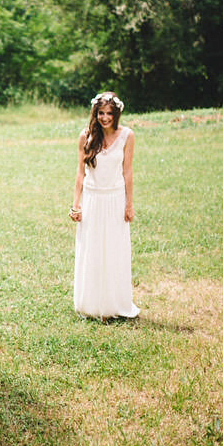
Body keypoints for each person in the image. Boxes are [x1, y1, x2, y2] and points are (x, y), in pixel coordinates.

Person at [69, 91, 140, 320]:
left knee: (114, 250)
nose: (105, 117)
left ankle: (113, 305)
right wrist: (75, 205)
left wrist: (129, 204)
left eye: (109, 113)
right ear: (95, 113)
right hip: (92, 199)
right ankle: (91, 304)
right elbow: (80, 173)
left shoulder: (127, 136)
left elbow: (127, 171)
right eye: (101, 113)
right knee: (92, 250)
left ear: (116, 114)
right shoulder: (86, 137)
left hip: (115, 199)